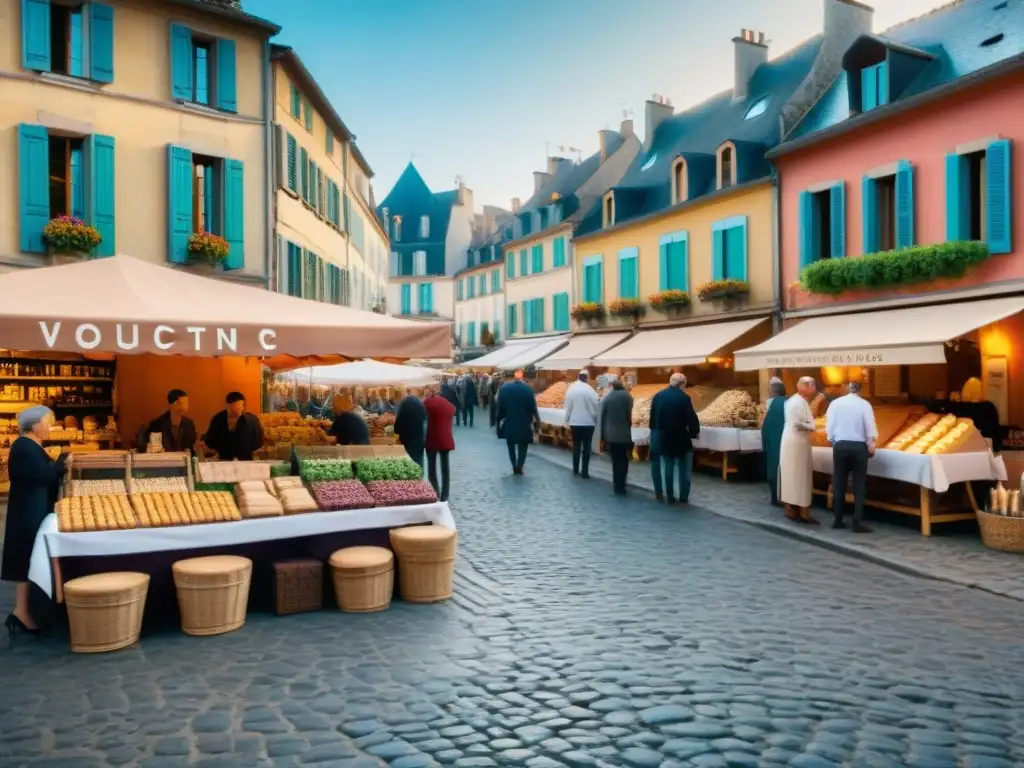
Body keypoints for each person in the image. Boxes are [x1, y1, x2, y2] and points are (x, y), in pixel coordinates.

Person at [2, 406, 67, 639]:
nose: (49, 427)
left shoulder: (29, 446)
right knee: (25, 559)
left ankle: (24, 611)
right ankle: (21, 613)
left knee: (28, 560)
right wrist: (62, 462)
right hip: (27, 513)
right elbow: (43, 474)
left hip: (32, 509)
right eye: (46, 422)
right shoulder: (24, 447)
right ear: (34, 424)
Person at [826, 381, 877, 533]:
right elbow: (870, 426)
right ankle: (857, 521)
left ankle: (837, 519)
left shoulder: (835, 404)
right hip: (858, 447)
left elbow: (830, 425)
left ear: (846, 389)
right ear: (860, 390)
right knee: (859, 485)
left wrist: (833, 440)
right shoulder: (864, 404)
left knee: (839, 482)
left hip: (840, 445)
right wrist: (871, 441)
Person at [649, 373, 700, 503]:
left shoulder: (658, 396)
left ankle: (670, 496)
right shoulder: (684, 398)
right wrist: (695, 432)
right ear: (681, 384)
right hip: (681, 438)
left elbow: (652, 418)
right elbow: (691, 418)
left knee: (668, 467)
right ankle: (683, 497)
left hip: (664, 437)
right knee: (684, 469)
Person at [779, 376, 819, 525]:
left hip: (788, 440)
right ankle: (804, 513)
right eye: (813, 386)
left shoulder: (790, 401)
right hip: (798, 442)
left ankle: (790, 509)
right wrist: (812, 426)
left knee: (790, 475)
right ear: (807, 387)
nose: (814, 389)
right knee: (802, 476)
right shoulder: (801, 402)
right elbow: (804, 424)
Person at [496, 370, 539, 475]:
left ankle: (514, 464)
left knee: (510, 444)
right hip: (524, 422)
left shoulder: (504, 389)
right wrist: (537, 421)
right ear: (523, 377)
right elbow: (533, 407)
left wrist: (497, 420)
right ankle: (520, 465)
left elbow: (500, 407)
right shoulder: (528, 389)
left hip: (510, 421)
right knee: (523, 445)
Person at [202, 392, 264, 461]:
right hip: (223, 459)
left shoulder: (252, 420)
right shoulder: (218, 419)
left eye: (242, 405)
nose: (241, 408)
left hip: (245, 460)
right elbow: (210, 439)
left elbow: (258, 440)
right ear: (228, 405)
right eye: (238, 406)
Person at [137, 389, 197, 454]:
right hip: (164, 461)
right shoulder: (157, 424)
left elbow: (192, 447)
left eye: (186, 403)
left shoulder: (189, 424)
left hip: (184, 461)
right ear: (170, 405)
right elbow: (146, 446)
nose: (183, 407)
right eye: (179, 403)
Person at [600, 379, 634, 495]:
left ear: (613, 387)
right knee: (624, 459)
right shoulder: (628, 397)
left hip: (611, 434)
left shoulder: (607, 398)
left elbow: (603, 417)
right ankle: (623, 481)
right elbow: (629, 416)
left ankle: (617, 485)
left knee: (615, 460)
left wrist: (602, 437)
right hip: (624, 434)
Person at [564, 371, 599, 478]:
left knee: (576, 446)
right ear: (587, 378)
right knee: (587, 446)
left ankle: (575, 469)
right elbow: (596, 407)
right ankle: (585, 471)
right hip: (588, 423)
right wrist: (595, 420)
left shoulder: (571, 390)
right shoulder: (591, 391)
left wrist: (566, 420)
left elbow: (568, 407)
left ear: (578, 377)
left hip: (575, 423)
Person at [424, 386, 456, 501]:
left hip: (432, 438)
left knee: (431, 467)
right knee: (445, 468)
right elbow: (453, 409)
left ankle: (435, 492)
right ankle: (445, 494)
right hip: (446, 438)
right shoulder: (445, 402)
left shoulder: (427, 403)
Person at [761, 378, 787, 507]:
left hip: (773, 441)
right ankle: (782, 497)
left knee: (773, 469)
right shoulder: (788, 403)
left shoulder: (771, 404)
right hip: (784, 441)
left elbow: (765, 424)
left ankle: (775, 497)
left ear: (772, 391)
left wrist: (764, 443)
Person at [394, 391, 427, 466]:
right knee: (419, 460)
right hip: (419, 440)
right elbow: (424, 421)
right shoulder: (421, 406)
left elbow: (397, 426)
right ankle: (420, 475)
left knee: (409, 462)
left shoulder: (404, 407)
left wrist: (396, 436)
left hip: (407, 441)